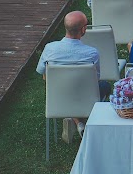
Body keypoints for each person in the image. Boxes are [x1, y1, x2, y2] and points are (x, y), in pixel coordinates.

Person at [35, 11, 106, 142]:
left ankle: (75, 120)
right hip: (84, 95)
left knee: (65, 89)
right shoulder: (92, 53)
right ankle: (82, 121)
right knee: (104, 86)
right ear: (84, 29)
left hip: (58, 96)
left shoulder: (49, 48)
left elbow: (43, 76)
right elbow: (95, 80)